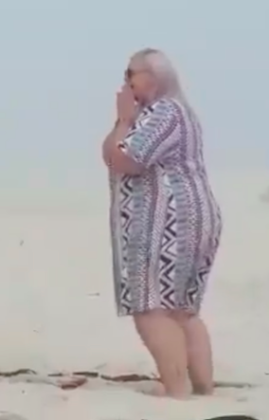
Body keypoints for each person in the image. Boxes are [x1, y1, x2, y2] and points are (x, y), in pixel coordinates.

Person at [101, 49, 222, 398]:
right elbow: (111, 155)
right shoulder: (178, 111)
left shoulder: (163, 112)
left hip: (166, 220)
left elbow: (125, 160)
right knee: (182, 310)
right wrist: (123, 123)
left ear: (152, 78)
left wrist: (123, 121)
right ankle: (202, 389)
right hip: (196, 216)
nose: (126, 82)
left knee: (151, 308)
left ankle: (178, 391)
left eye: (131, 74)